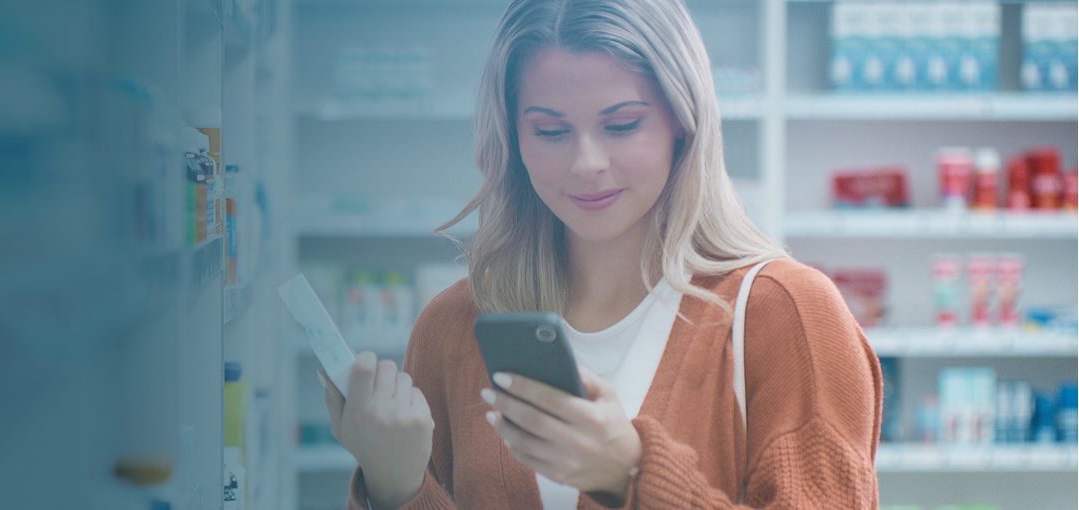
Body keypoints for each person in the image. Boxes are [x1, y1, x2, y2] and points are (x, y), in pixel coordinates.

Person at [316, 0, 884, 508]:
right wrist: (398, 490)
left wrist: (631, 473)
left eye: (622, 125)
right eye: (550, 131)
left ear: (683, 121)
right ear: (512, 138)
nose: (586, 163)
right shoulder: (452, 328)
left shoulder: (786, 315)